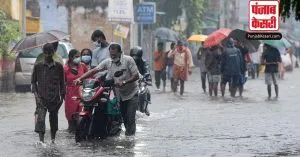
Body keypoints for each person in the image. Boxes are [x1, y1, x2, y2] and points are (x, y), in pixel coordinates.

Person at [74, 43, 139, 136]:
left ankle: (130, 142)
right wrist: (80, 79)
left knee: (130, 118)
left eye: (115, 55)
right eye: (111, 54)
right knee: (125, 118)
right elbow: (94, 71)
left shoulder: (128, 60)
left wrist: (124, 82)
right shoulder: (107, 62)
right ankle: (126, 134)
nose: (113, 56)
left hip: (132, 93)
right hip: (120, 94)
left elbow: (136, 76)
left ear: (120, 52)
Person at [31, 43, 65, 144]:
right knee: (40, 120)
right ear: (43, 53)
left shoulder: (58, 66)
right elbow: (33, 82)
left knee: (53, 120)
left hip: (54, 98)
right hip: (41, 98)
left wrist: (62, 98)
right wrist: (36, 97)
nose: (48, 55)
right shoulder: (38, 66)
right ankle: (41, 141)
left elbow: (62, 83)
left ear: (53, 53)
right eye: (46, 53)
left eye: (50, 52)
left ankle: (53, 140)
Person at [64, 49, 88, 133]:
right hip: (70, 95)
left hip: (82, 94)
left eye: (79, 56)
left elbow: (88, 77)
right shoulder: (65, 69)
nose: (79, 58)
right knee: (71, 118)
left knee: (82, 117)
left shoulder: (83, 66)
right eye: (76, 57)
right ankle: (71, 138)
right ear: (71, 58)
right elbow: (62, 83)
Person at [130, 46, 152, 116]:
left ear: (140, 56)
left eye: (136, 56)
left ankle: (145, 107)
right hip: (129, 81)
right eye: (133, 56)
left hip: (141, 81)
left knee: (144, 90)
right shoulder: (128, 62)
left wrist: (146, 78)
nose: (135, 58)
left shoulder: (144, 63)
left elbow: (147, 71)